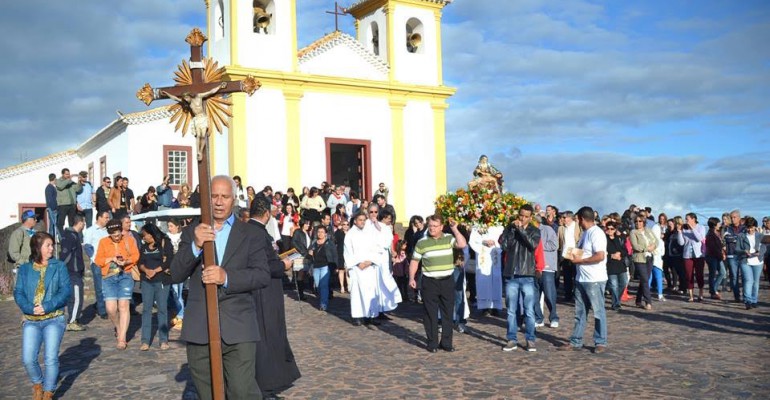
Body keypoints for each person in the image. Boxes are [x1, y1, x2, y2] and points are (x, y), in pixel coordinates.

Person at [170, 175, 271, 400]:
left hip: (239, 326)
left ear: (234, 199)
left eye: (224, 196)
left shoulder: (250, 234)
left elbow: (261, 275)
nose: (218, 201)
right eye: (214, 196)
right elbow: (176, 273)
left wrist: (227, 277)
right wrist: (195, 246)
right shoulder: (192, 232)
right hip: (200, 327)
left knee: (242, 392)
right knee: (209, 394)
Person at [247, 197, 301, 398]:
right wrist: (284, 265)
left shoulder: (246, 231)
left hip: (257, 290)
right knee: (267, 337)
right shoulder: (259, 234)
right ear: (267, 214)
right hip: (264, 293)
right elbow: (266, 266)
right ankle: (267, 386)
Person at [14, 232, 71, 400]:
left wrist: (47, 306)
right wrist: (30, 309)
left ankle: (48, 392)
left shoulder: (59, 266)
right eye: (48, 245)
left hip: (54, 318)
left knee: (50, 358)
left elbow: (65, 290)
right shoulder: (24, 269)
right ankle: (38, 383)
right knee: (28, 359)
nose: (52, 248)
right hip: (31, 320)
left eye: (52, 245)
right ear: (37, 248)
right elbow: (18, 293)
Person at [408, 215, 467, 353]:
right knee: (430, 313)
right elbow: (415, 261)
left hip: (447, 280)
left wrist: (455, 229)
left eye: (435, 226)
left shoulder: (448, 238)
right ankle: (432, 342)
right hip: (429, 281)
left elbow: (462, 244)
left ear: (441, 227)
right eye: (430, 226)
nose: (432, 229)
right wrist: (412, 278)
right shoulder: (422, 242)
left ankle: (446, 342)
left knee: (447, 312)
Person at [559, 206, 608, 353]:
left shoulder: (596, 233)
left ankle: (600, 341)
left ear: (581, 219)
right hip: (582, 278)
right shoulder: (585, 234)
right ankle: (576, 340)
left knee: (598, 311)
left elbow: (600, 255)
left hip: (594, 278)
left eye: (577, 219)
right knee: (580, 312)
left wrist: (580, 261)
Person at [499, 204, 542, 352]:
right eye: (521, 215)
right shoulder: (510, 228)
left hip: (527, 274)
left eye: (525, 216)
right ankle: (512, 339)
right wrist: (511, 230)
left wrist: (521, 230)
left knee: (529, 310)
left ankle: (530, 339)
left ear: (530, 218)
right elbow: (504, 245)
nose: (522, 218)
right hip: (511, 273)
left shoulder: (534, 231)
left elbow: (532, 244)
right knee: (511, 310)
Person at [94, 218, 140, 350]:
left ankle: (122, 338)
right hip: (108, 277)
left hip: (125, 275)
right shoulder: (103, 242)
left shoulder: (129, 240)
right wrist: (111, 259)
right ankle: (119, 327)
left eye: (118, 233)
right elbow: (98, 260)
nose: (116, 236)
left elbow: (136, 256)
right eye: (113, 234)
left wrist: (125, 261)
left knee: (124, 305)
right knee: (111, 309)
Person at [162, 82, 228, 160]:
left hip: (203, 118)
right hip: (197, 119)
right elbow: (175, 98)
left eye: (187, 98)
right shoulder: (188, 103)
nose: (186, 100)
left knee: (203, 136)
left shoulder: (199, 97)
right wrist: (167, 94)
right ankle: (198, 152)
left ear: (189, 96)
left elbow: (211, 92)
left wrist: (220, 86)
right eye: (185, 99)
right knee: (198, 135)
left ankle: (201, 150)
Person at [138, 223, 174, 350]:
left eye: (145, 235)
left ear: (152, 233)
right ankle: (145, 340)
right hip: (147, 281)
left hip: (162, 280)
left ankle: (163, 340)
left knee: (162, 309)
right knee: (146, 310)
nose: (144, 238)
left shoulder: (165, 243)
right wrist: (146, 270)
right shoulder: (144, 246)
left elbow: (169, 260)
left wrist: (155, 270)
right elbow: (140, 262)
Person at [469, 225, 504, 316]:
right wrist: (483, 241)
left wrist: (495, 242)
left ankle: (495, 306)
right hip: (483, 252)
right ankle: (485, 307)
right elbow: (472, 240)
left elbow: (503, 238)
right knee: (483, 279)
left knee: (496, 280)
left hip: (495, 252)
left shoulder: (499, 224)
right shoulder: (478, 225)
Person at [60, 215, 87, 332]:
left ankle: (73, 319)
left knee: (73, 298)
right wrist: (62, 269)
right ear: (79, 223)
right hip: (72, 272)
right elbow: (65, 255)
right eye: (84, 222)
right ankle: (72, 322)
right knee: (77, 298)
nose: (85, 224)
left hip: (75, 271)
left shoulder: (73, 235)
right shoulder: (71, 236)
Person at [83, 210, 110, 319]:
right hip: (97, 263)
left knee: (108, 287)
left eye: (108, 218)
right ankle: (101, 310)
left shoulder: (107, 231)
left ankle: (108, 307)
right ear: (99, 218)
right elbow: (87, 247)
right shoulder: (91, 231)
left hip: (109, 262)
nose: (108, 219)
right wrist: (94, 259)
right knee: (99, 287)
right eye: (106, 217)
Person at [677, 213, 706, 302]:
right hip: (687, 255)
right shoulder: (684, 229)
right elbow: (681, 243)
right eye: (685, 219)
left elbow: (699, 238)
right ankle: (691, 295)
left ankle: (700, 293)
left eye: (687, 219)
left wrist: (692, 228)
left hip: (698, 255)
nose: (686, 221)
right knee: (689, 275)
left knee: (699, 274)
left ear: (693, 219)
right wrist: (679, 232)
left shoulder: (701, 227)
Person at [736, 217, 764, 309]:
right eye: (748, 227)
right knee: (748, 281)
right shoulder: (741, 235)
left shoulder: (760, 235)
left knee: (756, 282)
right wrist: (744, 251)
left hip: (758, 261)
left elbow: (764, 247)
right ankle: (747, 301)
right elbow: (737, 249)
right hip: (745, 260)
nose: (750, 229)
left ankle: (754, 300)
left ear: (755, 227)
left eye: (752, 227)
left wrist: (760, 252)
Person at [536, 220, 560, 328]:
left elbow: (554, 245)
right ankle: (538, 318)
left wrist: (538, 245)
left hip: (547, 266)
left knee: (549, 294)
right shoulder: (528, 231)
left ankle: (554, 317)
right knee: (534, 294)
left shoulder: (547, 229)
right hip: (533, 267)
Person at [308, 225, 338, 311]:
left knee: (324, 285)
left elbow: (335, 254)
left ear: (326, 234)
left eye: (322, 232)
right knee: (318, 286)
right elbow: (309, 255)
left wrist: (336, 266)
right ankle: (322, 299)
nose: (320, 234)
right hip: (316, 266)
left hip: (326, 266)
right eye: (319, 232)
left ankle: (323, 304)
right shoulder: (314, 242)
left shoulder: (329, 242)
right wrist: (309, 253)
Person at [630, 216, 657, 310]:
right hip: (639, 259)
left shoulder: (648, 230)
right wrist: (646, 248)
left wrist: (654, 246)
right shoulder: (633, 232)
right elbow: (635, 246)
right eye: (636, 221)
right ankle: (648, 301)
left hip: (649, 257)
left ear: (644, 222)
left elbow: (656, 240)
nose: (638, 223)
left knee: (645, 279)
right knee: (645, 280)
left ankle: (638, 300)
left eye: (640, 221)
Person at [557, 211, 581, 302]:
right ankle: (568, 295)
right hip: (565, 255)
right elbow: (559, 242)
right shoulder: (561, 229)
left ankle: (577, 294)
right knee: (567, 277)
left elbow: (580, 239)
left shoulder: (578, 226)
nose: (562, 219)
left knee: (576, 276)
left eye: (564, 217)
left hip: (576, 253)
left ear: (570, 218)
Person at [605, 221, 629, 311]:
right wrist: (611, 256)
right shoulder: (604, 239)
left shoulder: (619, 238)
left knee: (623, 283)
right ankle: (616, 304)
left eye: (612, 229)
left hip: (620, 264)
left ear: (615, 229)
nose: (610, 230)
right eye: (608, 228)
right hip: (610, 265)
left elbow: (625, 251)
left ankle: (617, 299)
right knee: (614, 285)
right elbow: (601, 253)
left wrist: (620, 254)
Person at [166, 219, 185, 331]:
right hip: (170, 269)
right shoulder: (167, 237)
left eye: (172, 226)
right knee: (173, 293)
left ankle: (181, 316)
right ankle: (179, 314)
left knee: (178, 293)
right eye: (168, 226)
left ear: (178, 226)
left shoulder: (182, 236)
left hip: (180, 269)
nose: (170, 228)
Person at [723, 210, 745, 302]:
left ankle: (746, 295)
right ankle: (737, 296)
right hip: (731, 255)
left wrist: (734, 238)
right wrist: (736, 238)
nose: (732, 219)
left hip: (743, 255)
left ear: (739, 218)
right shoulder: (727, 228)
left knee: (744, 276)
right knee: (734, 277)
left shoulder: (744, 228)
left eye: (734, 217)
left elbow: (744, 239)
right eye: (731, 217)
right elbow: (727, 239)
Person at [55, 168, 82, 234]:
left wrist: (79, 182)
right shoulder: (58, 181)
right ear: (62, 174)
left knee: (72, 222)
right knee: (61, 222)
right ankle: (61, 237)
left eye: (69, 174)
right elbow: (60, 187)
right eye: (66, 174)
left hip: (72, 204)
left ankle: (72, 235)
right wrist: (69, 179)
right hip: (63, 204)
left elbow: (77, 189)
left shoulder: (71, 182)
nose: (68, 175)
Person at [704, 217, 726, 300]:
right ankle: (713, 292)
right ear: (714, 225)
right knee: (712, 274)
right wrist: (721, 255)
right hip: (712, 257)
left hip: (717, 256)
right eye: (718, 223)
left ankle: (714, 289)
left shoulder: (716, 233)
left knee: (722, 272)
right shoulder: (710, 234)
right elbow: (713, 248)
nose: (719, 225)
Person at [291, 218, 313, 301]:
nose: (308, 225)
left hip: (306, 255)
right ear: (302, 224)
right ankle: (300, 294)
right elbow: (294, 242)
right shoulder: (298, 232)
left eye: (308, 224)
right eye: (306, 224)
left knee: (304, 273)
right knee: (301, 274)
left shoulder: (307, 233)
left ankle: (302, 292)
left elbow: (308, 244)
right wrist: (303, 252)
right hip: (300, 255)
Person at [335, 218, 350, 293]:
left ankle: (349, 286)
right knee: (341, 270)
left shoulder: (351, 233)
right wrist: (338, 229)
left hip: (349, 254)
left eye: (347, 224)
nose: (346, 226)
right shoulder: (339, 233)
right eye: (344, 224)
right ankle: (342, 286)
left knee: (348, 271)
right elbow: (335, 239)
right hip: (341, 253)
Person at [45, 174, 58, 239]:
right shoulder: (49, 188)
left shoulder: (52, 187)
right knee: (52, 225)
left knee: (54, 225)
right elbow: (50, 199)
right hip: (52, 209)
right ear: (54, 179)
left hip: (53, 209)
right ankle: (51, 238)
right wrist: (54, 208)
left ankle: (53, 238)